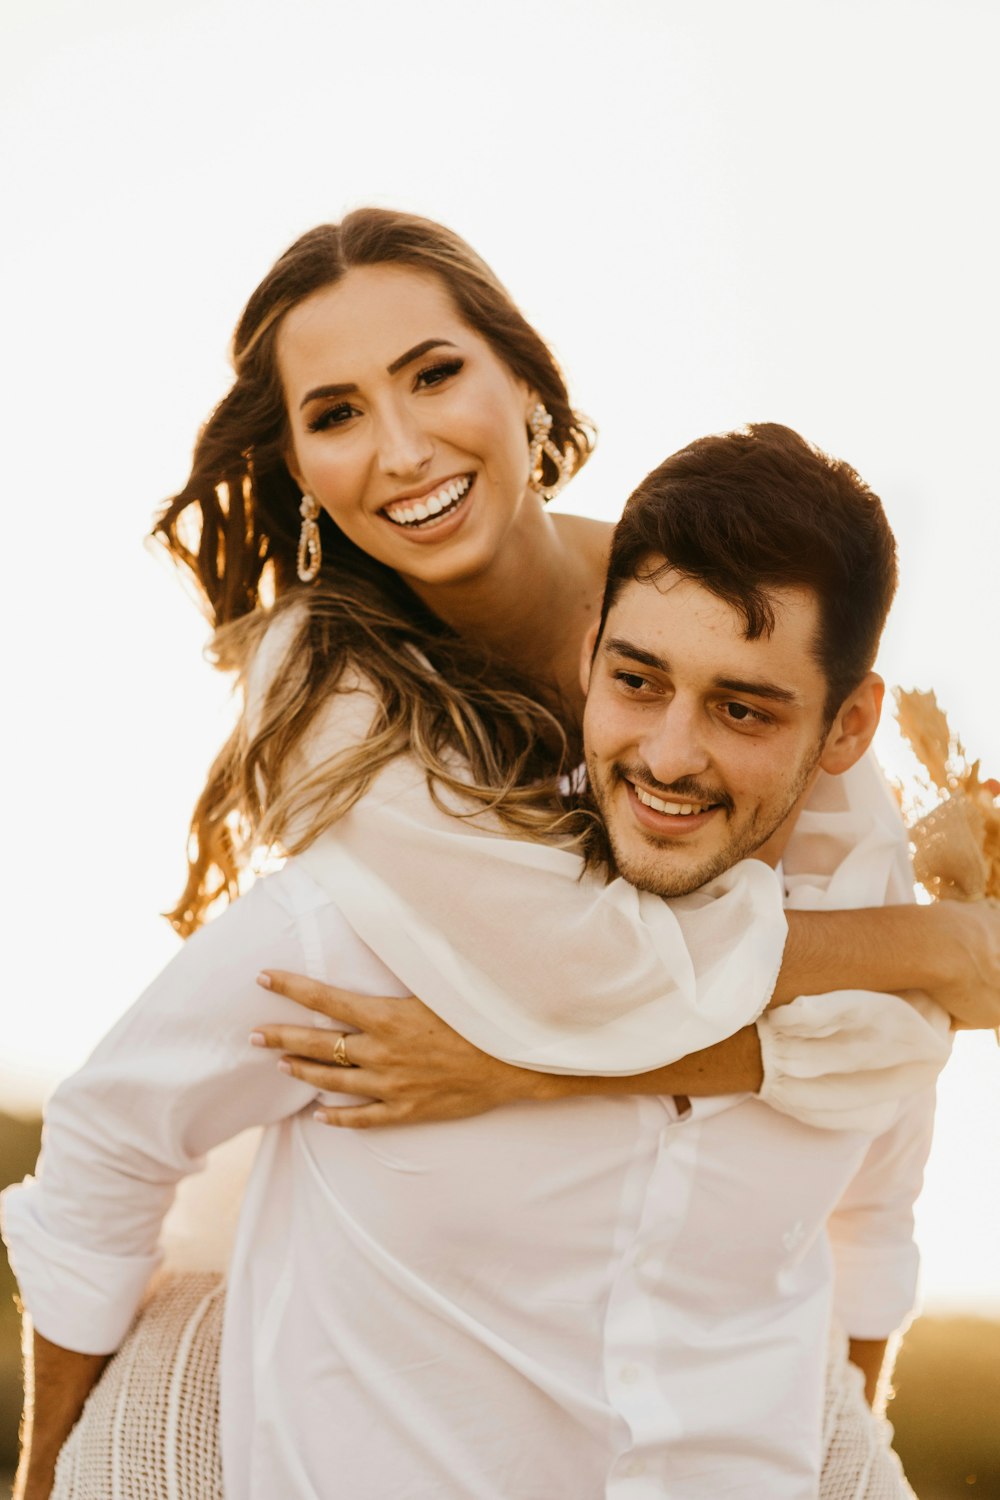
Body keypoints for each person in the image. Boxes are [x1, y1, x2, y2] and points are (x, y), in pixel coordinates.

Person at [4, 212, 998, 1500]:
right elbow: (586, 973)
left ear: (525, 379)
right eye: (337, 412)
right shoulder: (339, 718)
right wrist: (936, 951)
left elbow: (876, 1068)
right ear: (300, 464)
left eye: (432, 373)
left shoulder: (702, 608)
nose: (404, 447)